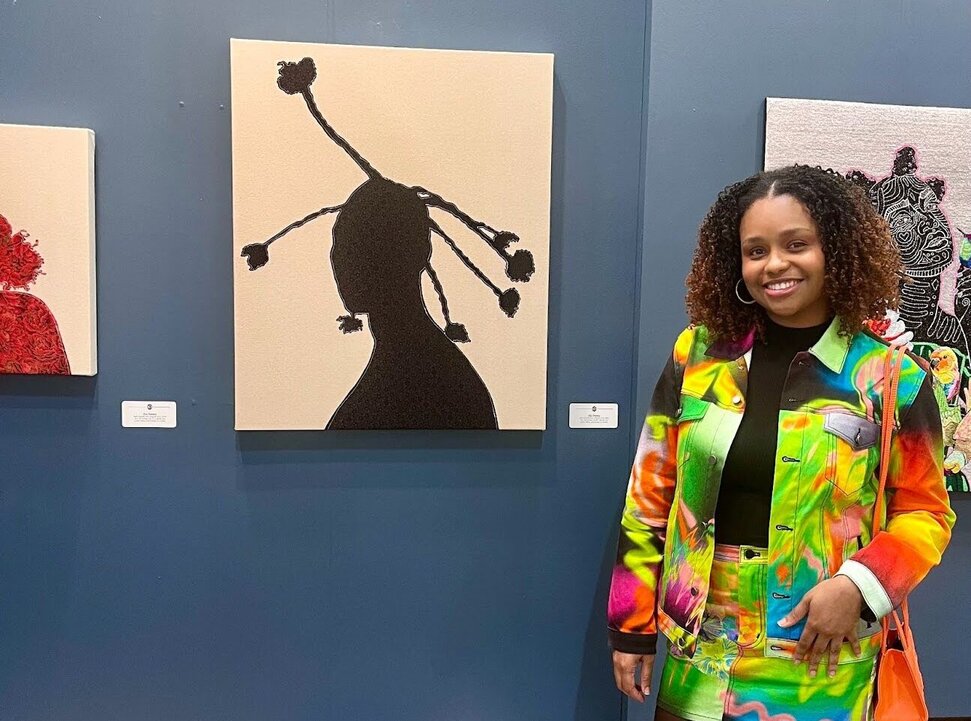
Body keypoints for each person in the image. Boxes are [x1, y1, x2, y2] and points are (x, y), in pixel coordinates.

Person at [608, 165, 955, 721]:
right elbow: (649, 496)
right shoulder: (698, 356)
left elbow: (926, 512)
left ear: (835, 251)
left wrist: (860, 587)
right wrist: (630, 626)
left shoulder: (892, 378)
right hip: (700, 653)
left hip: (821, 651)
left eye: (796, 244)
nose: (774, 264)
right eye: (756, 250)